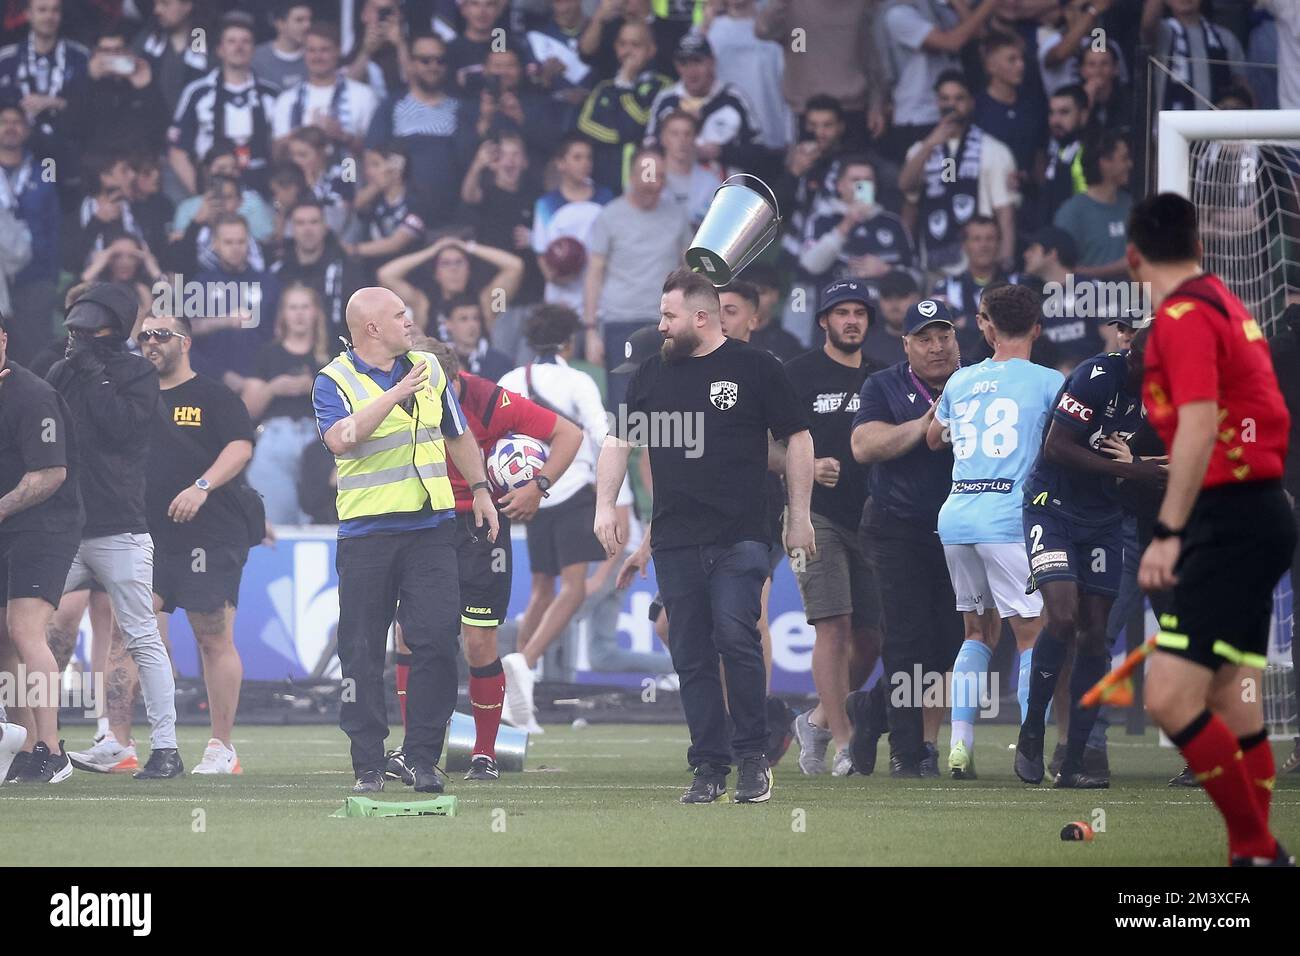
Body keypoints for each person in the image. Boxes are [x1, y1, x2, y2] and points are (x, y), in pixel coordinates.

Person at [598, 269, 815, 805]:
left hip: (743, 531)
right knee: (691, 653)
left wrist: (801, 515)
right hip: (674, 536)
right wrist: (605, 504)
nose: (661, 326)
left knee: (735, 637)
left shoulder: (758, 367)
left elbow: (800, 438)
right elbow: (618, 441)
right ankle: (709, 767)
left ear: (701, 317)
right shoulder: (650, 372)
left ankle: (752, 757)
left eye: (669, 316)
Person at [1132, 193, 1295, 865]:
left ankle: (1256, 849)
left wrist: (1169, 530)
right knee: (1233, 691)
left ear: (1134, 255)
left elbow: (1198, 423)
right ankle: (1253, 852)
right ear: (1198, 245)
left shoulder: (1182, 316)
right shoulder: (1226, 301)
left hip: (1228, 518)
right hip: (1261, 511)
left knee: (1169, 696)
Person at [313, 286, 498, 794]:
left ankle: (421, 758)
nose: (410, 322)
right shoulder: (332, 380)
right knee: (362, 651)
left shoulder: (428, 368)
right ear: (372, 328)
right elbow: (341, 440)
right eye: (399, 315)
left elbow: (456, 432)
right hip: (368, 535)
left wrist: (480, 489)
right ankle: (368, 763)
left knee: (438, 641)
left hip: (430, 530)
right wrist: (394, 395)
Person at [71, 312, 256, 775]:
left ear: (185, 342)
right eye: (144, 335)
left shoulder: (213, 395)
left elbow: (240, 446)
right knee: (126, 633)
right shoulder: (133, 395)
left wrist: (202, 486)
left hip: (211, 533)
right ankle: (118, 741)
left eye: (161, 334)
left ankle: (222, 747)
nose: (150, 342)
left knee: (211, 633)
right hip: (147, 532)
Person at [415, 336, 582, 779]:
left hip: (480, 528)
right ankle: (416, 752)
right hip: (422, 526)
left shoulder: (490, 399)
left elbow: (569, 433)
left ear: (454, 378)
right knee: (414, 638)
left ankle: (484, 755)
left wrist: (538, 486)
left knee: (479, 642)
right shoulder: (400, 392)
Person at [1014, 321, 1166, 788]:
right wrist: (1131, 470)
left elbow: (1166, 458)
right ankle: (1033, 726)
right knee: (1061, 617)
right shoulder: (1096, 375)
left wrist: (1139, 467)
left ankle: (1074, 761)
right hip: (1051, 507)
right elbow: (1056, 447)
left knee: (1097, 635)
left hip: (1105, 518)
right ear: (1133, 354)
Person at [925, 283, 1063, 779]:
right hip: (1007, 518)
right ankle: (1029, 746)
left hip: (957, 515)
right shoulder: (1049, 381)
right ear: (1036, 329)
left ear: (986, 327)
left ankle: (959, 747)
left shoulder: (961, 381)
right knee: (1032, 634)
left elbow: (932, 437)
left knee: (977, 631)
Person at [45, 283, 180, 779]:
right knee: (26, 629)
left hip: (119, 526)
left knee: (142, 636)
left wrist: (94, 373)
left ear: (109, 332)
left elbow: (124, 428)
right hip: (62, 525)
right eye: (73, 330)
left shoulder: (138, 374)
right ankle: (37, 741)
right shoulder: (60, 373)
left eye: (86, 331)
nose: (76, 338)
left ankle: (165, 747)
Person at [850, 297, 964, 776]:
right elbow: (863, 446)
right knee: (906, 638)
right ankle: (907, 751)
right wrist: (926, 424)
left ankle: (872, 709)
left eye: (944, 336)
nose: (937, 347)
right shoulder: (883, 383)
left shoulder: (977, 380)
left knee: (954, 643)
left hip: (961, 530)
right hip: (896, 527)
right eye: (925, 338)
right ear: (906, 344)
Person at [785, 280, 884, 776]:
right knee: (834, 626)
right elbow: (761, 444)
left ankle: (819, 718)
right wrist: (805, 464)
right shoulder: (797, 373)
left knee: (872, 637)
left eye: (859, 313)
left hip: (872, 518)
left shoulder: (883, 375)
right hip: (811, 514)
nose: (851, 320)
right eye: (840, 312)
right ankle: (844, 741)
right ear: (822, 320)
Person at [497, 305, 612, 732]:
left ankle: (514, 694)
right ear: (569, 342)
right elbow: (600, 433)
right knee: (576, 588)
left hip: (529, 494)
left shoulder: (511, 380)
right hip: (572, 489)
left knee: (543, 589)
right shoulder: (578, 380)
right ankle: (524, 665)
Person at [0, 307, 83, 783]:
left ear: (5, 340)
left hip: (45, 522)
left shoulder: (32, 396)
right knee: (3, 639)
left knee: (25, 628)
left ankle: (53, 751)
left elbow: (51, 473)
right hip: (9, 524)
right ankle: (25, 744)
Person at [583, 145, 692, 396]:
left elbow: (690, 268)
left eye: (659, 177)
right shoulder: (609, 216)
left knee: (668, 404)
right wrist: (590, 331)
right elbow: (594, 274)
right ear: (631, 177)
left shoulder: (677, 215)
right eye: (645, 176)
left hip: (667, 322)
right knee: (624, 406)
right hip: (621, 322)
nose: (652, 184)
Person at [898, 70, 1018, 273]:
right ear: (936, 102)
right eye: (944, 98)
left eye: (958, 98)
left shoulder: (994, 150)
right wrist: (930, 145)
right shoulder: (922, 150)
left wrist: (1005, 260)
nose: (950, 105)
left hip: (980, 268)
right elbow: (905, 187)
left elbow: (1005, 213)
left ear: (971, 102)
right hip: (936, 267)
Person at [243, 283, 331, 525]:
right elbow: (248, 410)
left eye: (305, 307)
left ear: (316, 312)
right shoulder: (267, 354)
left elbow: (350, 406)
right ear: (283, 314)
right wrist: (273, 388)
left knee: (317, 522)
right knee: (275, 521)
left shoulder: (332, 355)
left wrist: (314, 387)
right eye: (293, 308)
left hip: (320, 441)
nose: (299, 313)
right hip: (275, 439)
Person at [168, 13, 279, 196]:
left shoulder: (271, 94)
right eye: (232, 41)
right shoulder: (198, 92)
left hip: (262, 191)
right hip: (213, 187)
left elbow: (282, 150)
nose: (239, 47)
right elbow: (177, 152)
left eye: (245, 41)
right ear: (220, 49)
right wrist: (200, 194)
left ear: (253, 49)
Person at [644, 33, 760, 171]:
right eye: (683, 63)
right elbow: (649, 149)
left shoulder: (734, 98)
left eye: (697, 61)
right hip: (675, 188)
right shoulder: (666, 100)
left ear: (712, 61)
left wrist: (721, 152)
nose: (691, 71)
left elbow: (758, 153)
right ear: (676, 66)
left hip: (725, 189)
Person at [271, 22, 378, 161]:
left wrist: (343, 136)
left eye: (325, 50)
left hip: (349, 175)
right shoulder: (287, 99)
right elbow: (276, 155)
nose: (317, 57)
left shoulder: (363, 95)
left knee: (348, 173)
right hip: (300, 180)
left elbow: (374, 151)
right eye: (311, 50)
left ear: (338, 51)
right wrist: (302, 135)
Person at [271, 198, 363, 342]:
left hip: (337, 354)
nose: (308, 229)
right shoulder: (278, 271)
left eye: (314, 222)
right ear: (292, 229)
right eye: (300, 223)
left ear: (325, 226)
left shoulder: (347, 268)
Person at [1053, 129, 1132, 280]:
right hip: (1089, 300)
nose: (1130, 164)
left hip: (1133, 300)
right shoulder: (1071, 213)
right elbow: (1061, 270)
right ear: (1104, 162)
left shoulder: (1131, 205)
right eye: (1124, 158)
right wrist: (1118, 267)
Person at [253, 2, 312, 93]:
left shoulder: (316, 56)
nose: (307, 25)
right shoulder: (256, 58)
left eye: (309, 20)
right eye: (299, 20)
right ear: (280, 24)